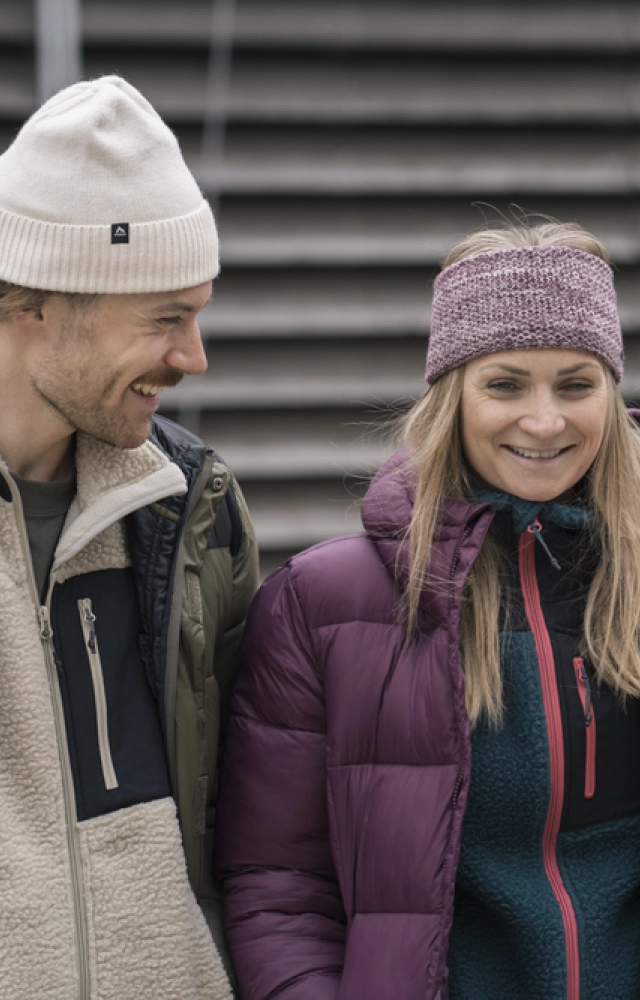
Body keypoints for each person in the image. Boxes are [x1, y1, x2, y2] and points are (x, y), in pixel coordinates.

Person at [215, 222, 640, 1000]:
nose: (544, 421)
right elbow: (277, 882)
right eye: (505, 384)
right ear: (452, 396)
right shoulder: (322, 605)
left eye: (576, 385)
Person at [0, 76, 258, 999]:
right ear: (37, 302)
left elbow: (243, 823)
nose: (192, 358)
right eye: (164, 318)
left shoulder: (190, 513)